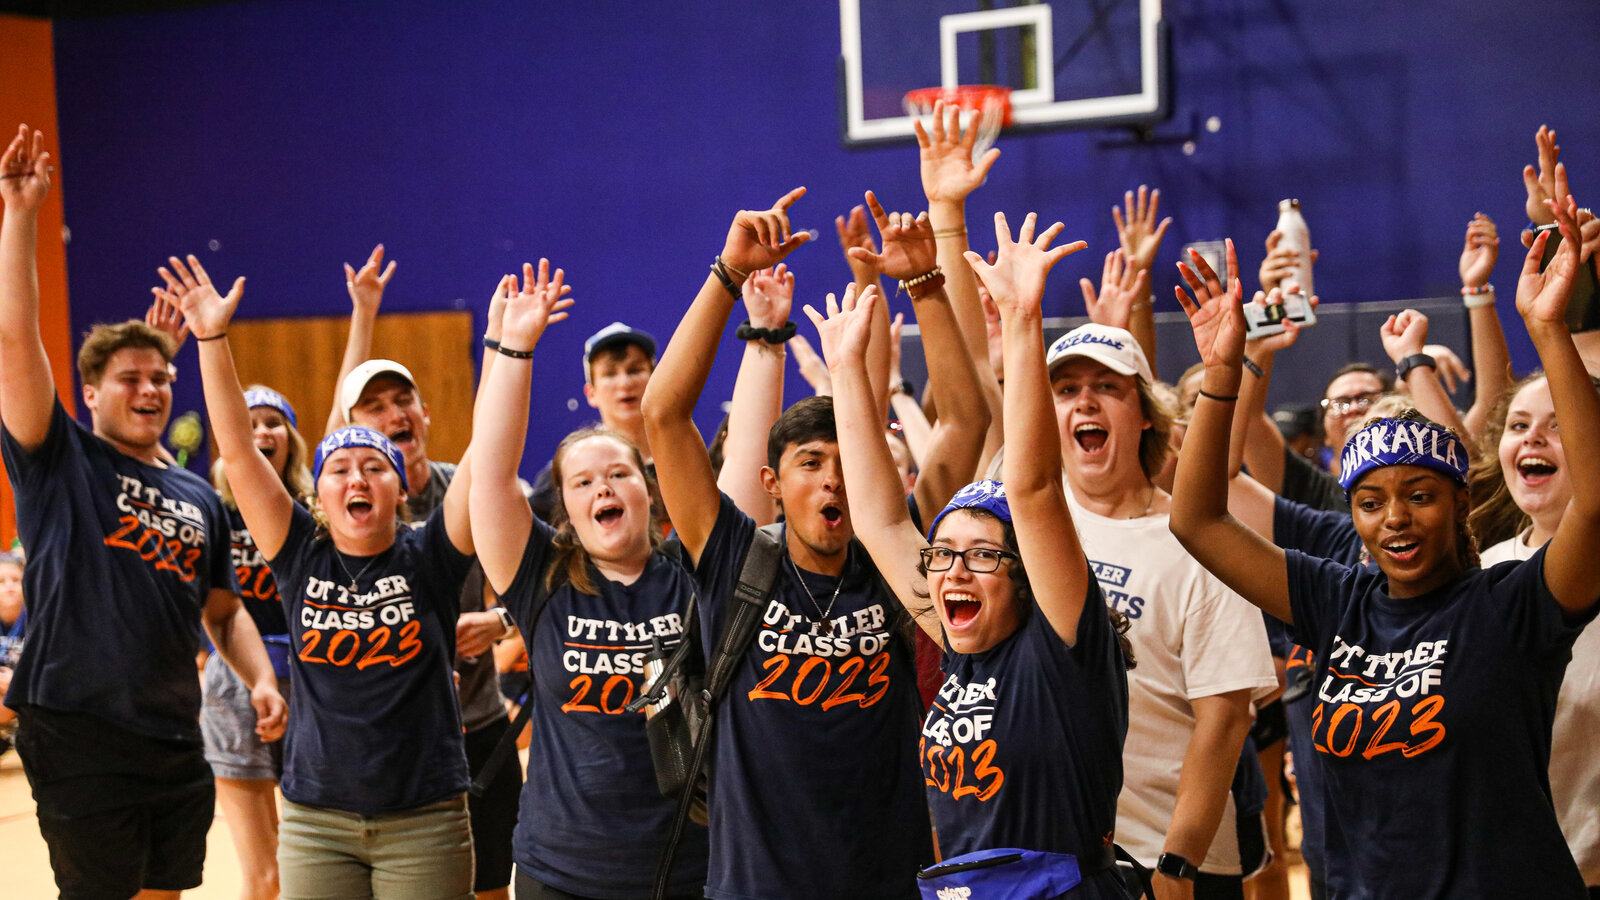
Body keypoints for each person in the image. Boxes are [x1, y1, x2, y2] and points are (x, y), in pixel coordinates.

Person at [1168, 187, 1599, 898]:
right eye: (1370, 503)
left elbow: (1596, 504)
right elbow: (1198, 521)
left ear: (1463, 505)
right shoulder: (1339, 598)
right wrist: (1222, 374)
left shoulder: (1512, 601)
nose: (1393, 517)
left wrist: (1550, 333)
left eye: (1419, 496)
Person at [645, 188, 997, 900]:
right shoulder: (734, 556)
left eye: (845, 461)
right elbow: (664, 413)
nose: (832, 480)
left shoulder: (894, 554)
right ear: (773, 482)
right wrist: (727, 274)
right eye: (811, 463)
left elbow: (965, 420)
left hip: (887, 881)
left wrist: (925, 285)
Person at [809, 210, 1134, 899]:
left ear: (1024, 575)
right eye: (943, 554)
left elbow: (1036, 487)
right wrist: (845, 375)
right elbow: (877, 519)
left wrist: (1021, 320)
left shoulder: (1062, 646)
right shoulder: (957, 646)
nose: (953, 570)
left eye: (982, 555)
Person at [0, 124, 286, 900]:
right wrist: (22, 213)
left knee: (165, 892)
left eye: (161, 376)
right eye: (129, 378)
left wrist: (259, 678)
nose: (152, 388)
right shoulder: (60, 459)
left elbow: (224, 614)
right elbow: (15, 340)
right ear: (89, 394)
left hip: (172, 730)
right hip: (76, 723)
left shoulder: (197, 495)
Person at [167, 254, 478, 900]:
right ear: (320, 491)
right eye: (340, 469)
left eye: (375, 468)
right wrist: (211, 340)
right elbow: (235, 448)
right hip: (316, 815)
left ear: (401, 492)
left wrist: (509, 350)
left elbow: (490, 459)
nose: (357, 477)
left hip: (423, 811)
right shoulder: (300, 550)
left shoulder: (428, 554)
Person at [469, 259, 711, 899]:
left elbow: (737, 469)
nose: (602, 485)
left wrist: (761, 332)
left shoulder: (693, 575)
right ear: (566, 509)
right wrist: (513, 349)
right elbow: (490, 475)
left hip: (688, 869)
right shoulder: (542, 576)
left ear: (651, 493)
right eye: (582, 481)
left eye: (619, 474)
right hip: (563, 873)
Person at [1046, 308, 1277, 899]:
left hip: (1169, 858)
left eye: (1106, 388)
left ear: (1146, 416)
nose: (1085, 403)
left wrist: (1179, 860)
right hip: (1055, 852)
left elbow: (1224, 718)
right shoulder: (1024, 524)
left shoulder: (1200, 537)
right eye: (1067, 389)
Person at [334, 267, 527, 900]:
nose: (393, 415)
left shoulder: (467, 489)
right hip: (392, 740)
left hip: (478, 721)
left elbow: (556, 577)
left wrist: (498, 624)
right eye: (375, 407)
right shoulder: (349, 507)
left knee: (494, 884)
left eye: (402, 402)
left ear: (425, 413)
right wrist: (363, 314)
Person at [1468, 371, 1600, 893]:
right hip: (1506, 873)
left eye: (1560, 424)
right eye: (1518, 425)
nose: (1531, 438)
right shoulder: (1479, 573)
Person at [205, 385, 312, 900]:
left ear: (291, 437)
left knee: (310, 862)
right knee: (263, 875)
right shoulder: (211, 511)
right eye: (248, 423)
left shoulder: (315, 510)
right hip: (234, 682)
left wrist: (360, 315)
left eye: (273, 421)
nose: (261, 432)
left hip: (313, 681)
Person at [528, 321, 658, 522]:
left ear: (655, 379)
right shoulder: (567, 472)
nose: (624, 383)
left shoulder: (686, 459)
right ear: (591, 393)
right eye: (610, 373)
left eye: (634, 370)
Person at [0, 550, 26, 755]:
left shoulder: (37, 618)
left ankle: (20, 734)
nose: (9, 586)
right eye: (1, 581)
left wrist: (16, 682)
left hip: (25, 692)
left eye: (15, 580)